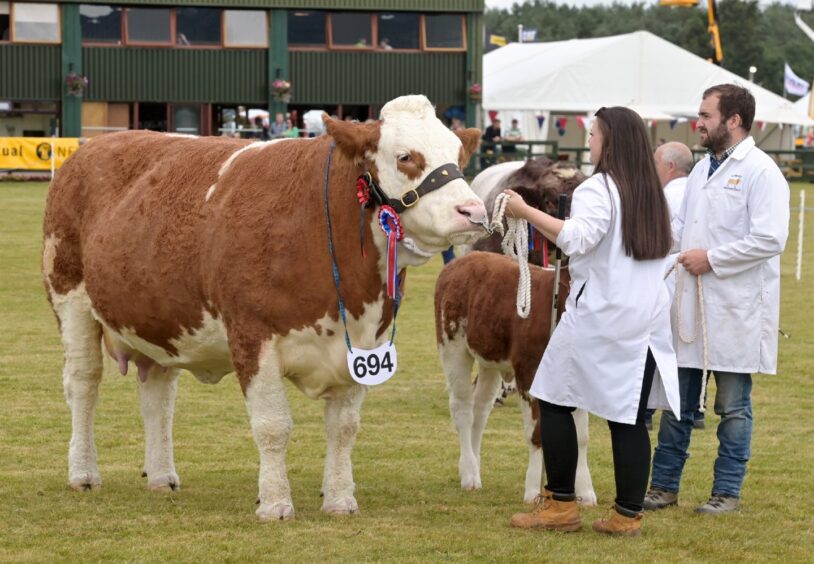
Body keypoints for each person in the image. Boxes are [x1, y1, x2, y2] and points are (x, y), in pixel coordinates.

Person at [507, 107, 679, 537]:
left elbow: (574, 237)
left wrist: (524, 211)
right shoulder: (650, 191)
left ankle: (561, 505)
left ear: (611, 140)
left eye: (594, 134)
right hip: (643, 317)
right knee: (628, 418)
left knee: (553, 398)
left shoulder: (599, 188)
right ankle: (627, 514)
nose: (589, 141)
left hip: (599, 313)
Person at [644, 84, 789, 514]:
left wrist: (713, 259)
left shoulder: (762, 172)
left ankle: (726, 492)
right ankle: (663, 486)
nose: (699, 122)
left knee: (733, 408)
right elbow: (681, 229)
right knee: (677, 404)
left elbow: (770, 238)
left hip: (735, 308)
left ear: (733, 120)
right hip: (692, 306)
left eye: (706, 115)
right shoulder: (703, 172)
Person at [644, 142, 694, 431]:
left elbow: (663, 237)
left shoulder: (666, 196)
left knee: (656, 343)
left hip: (666, 277)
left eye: (656, 163)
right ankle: (691, 407)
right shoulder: (698, 192)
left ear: (670, 167)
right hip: (692, 278)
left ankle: (647, 409)